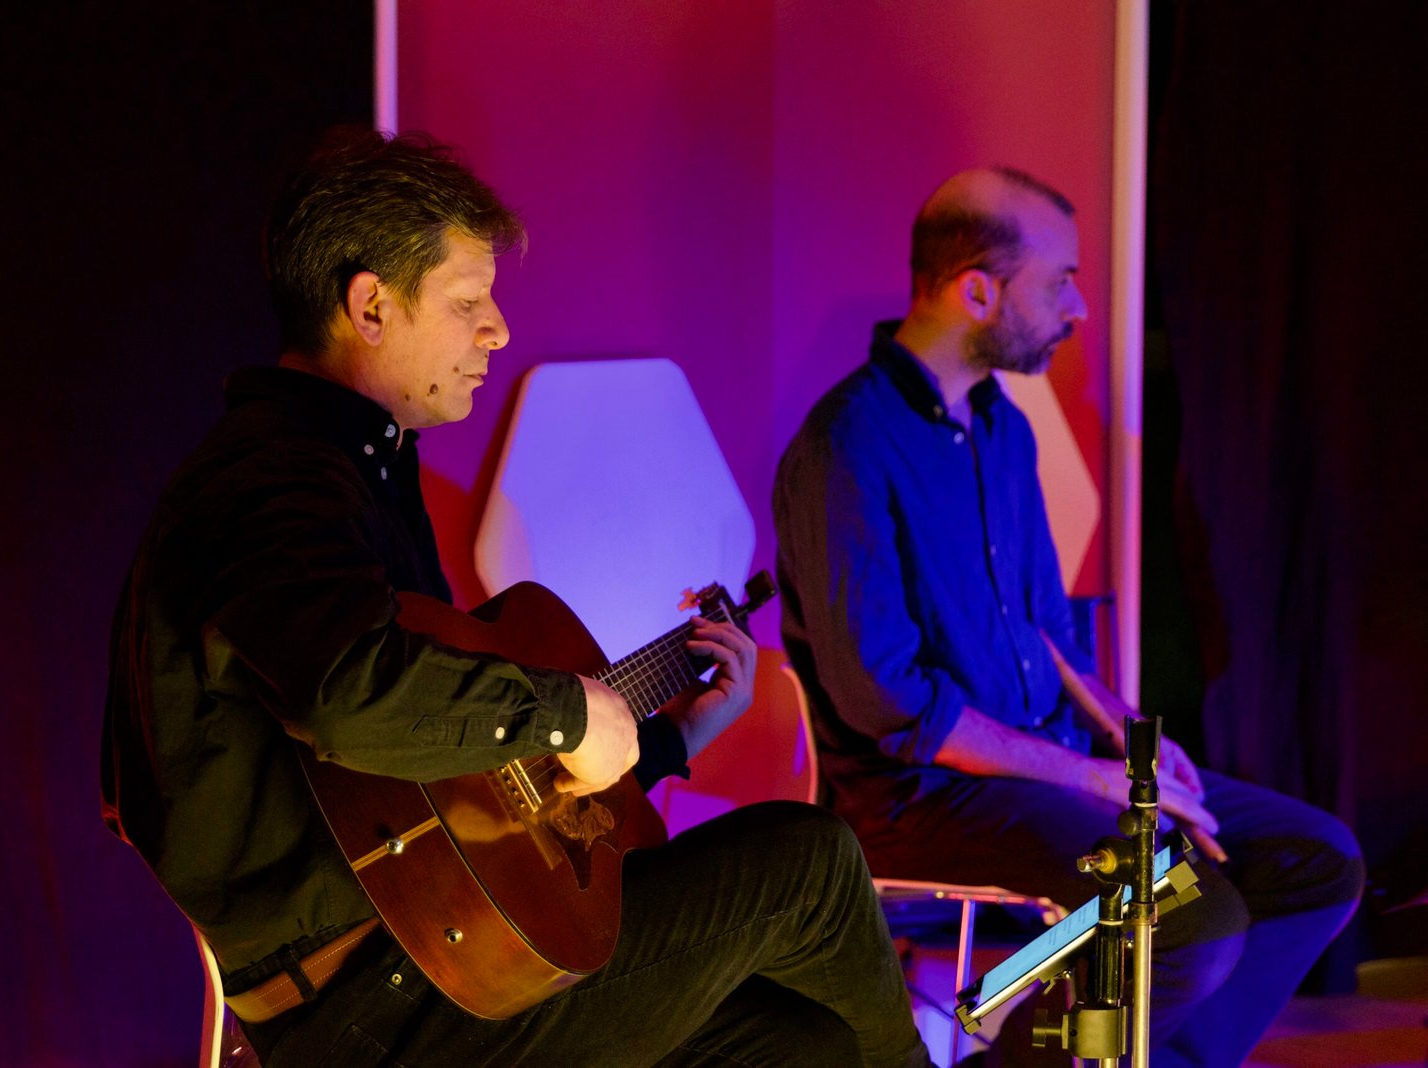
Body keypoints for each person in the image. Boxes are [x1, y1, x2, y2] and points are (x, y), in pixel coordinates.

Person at [102, 127, 932, 1068]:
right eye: (467, 303)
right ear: (370, 306)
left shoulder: (359, 468)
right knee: (810, 865)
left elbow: (452, 790)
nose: (496, 330)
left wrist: (669, 740)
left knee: (803, 1044)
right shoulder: (273, 481)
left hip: (440, 954)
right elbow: (346, 691)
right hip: (379, 1008)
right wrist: (569, 711)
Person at [772, 167, 1364, 1067]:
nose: (1079, 308)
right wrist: (1086, 779)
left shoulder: (1004, 428)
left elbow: (1047, 632)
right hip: (916, 794)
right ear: (978, 291)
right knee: (1185, 914)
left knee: (1315, 860)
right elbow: (888, 701)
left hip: (1041, 760)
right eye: (1061, 283)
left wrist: (1129, 745)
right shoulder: (846, 445)